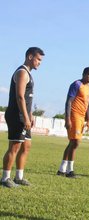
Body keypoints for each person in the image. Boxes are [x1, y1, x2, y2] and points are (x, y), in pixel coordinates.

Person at [1, 47, 45, 188]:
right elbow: (20, 97)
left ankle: (19, 177)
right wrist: (25, 117)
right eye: (38, 59)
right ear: (30, 57)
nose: (39, 62)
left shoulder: (29, 74)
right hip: (16, 115)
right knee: (14, 147)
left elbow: (27, 98)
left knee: (26, 146)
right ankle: (5, 178)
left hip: (24, 115)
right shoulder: (22, 72)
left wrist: (30, 115)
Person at [56, 67, 89, 178]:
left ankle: (62, 169)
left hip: (82, 117)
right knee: (75, 142)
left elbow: (88, 104)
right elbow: (69, 101)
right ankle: (69, 171)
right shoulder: (76, 84)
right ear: (84, 74)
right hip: (74, 115)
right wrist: (67, 119)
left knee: (72, 142)